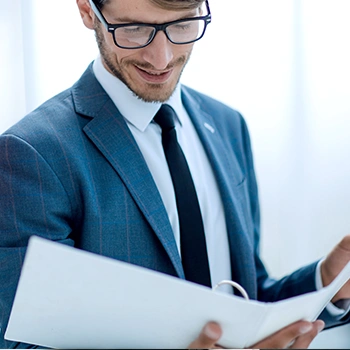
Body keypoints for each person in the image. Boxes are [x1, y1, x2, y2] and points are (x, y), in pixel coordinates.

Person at [0, 0, 349, 348]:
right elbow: (21, 342)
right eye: (134, 29)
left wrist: (326, 285)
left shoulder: (228, 126)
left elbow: (244, 294)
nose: (162, 58)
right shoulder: (31, 153)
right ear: (88, 11)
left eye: (182, 25)